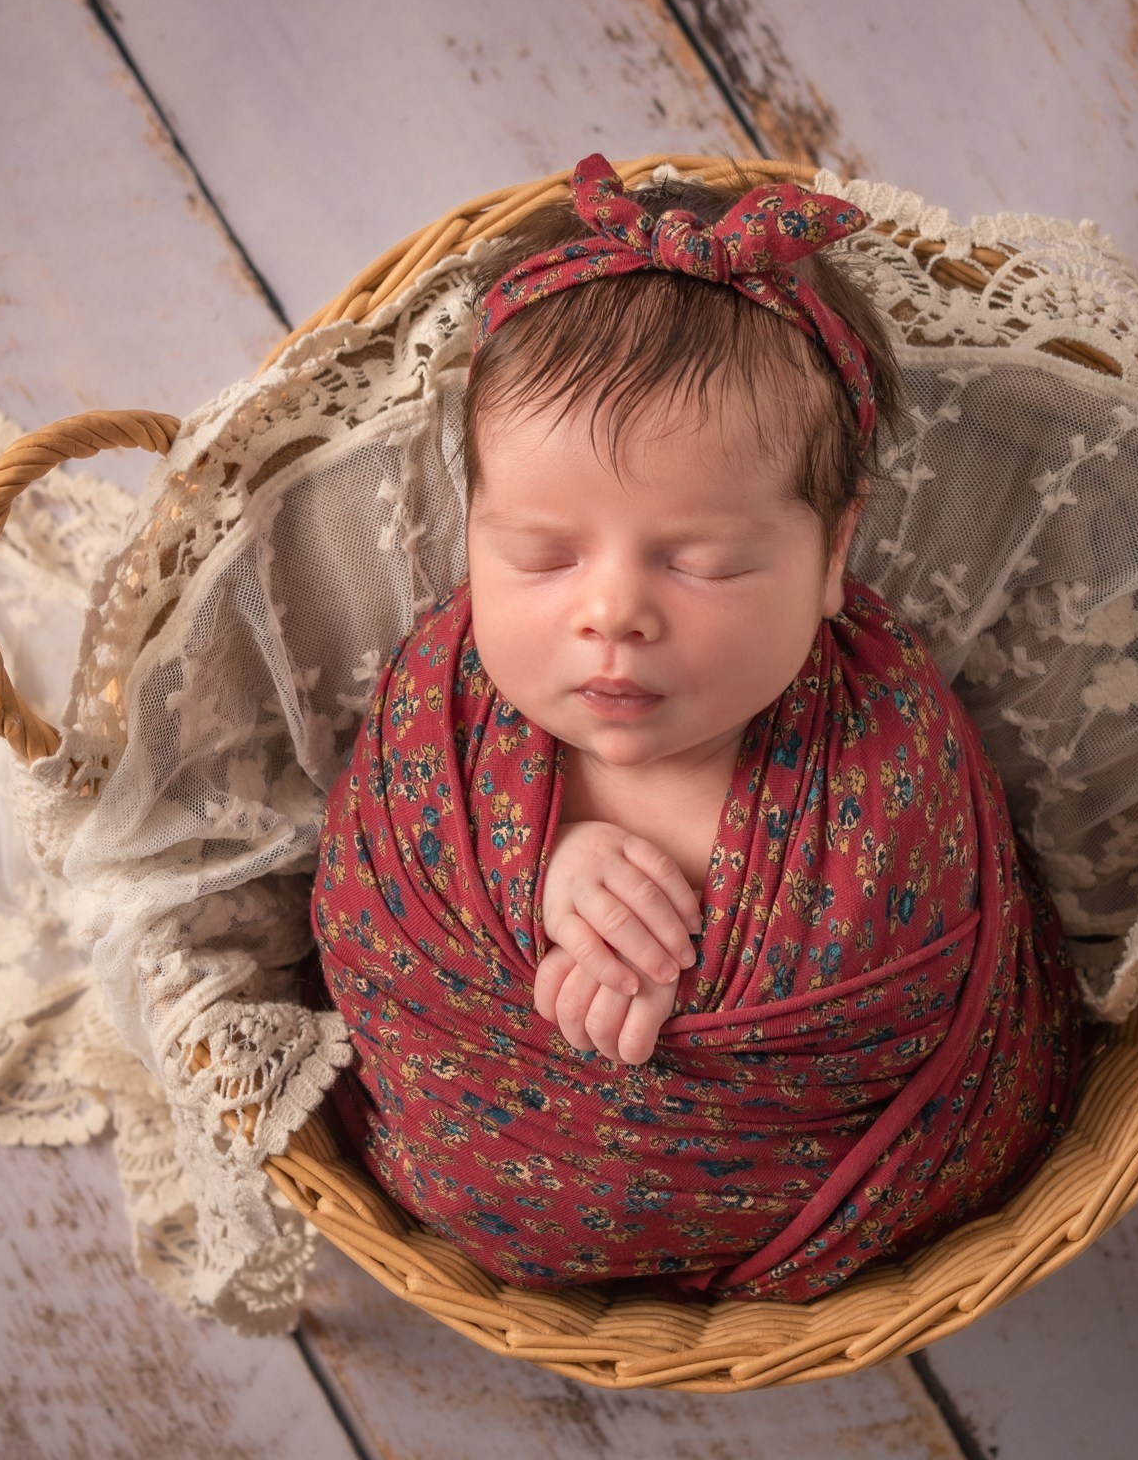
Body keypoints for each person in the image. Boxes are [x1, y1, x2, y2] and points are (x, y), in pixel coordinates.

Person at [309, 156, 1083, 1302]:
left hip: (833, 1192)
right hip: (468, 1149)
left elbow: (934, 963)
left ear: (833, 554)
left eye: (702, 560)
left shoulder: (883, 736)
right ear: (471, 531)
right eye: (541, 555)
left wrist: (697, 1000)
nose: (612, 609)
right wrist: (538, 879)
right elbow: (375, 899)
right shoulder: (447, 708)